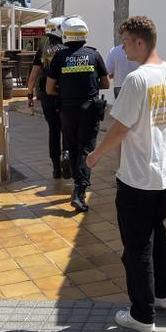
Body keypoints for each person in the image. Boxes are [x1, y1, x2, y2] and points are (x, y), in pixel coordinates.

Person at [86, 16, 166, 332]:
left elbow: (121, 127)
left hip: (139, 174)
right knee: (155, 231)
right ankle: (163, 293)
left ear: (140, 42)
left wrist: (95, 155)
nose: (122, 48)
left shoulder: (137, 80)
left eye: (126, 41)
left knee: (136, 245)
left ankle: (142, 314)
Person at [46, 16, 110, 212]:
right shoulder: (94, 55)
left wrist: (65, 92)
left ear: (65, 35)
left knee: (73, 147)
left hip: (67, 110)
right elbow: (105, 83)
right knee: (86, 149)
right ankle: (79, 192)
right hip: (90, 109)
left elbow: (49, 89)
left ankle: (75, 179)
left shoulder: (59, 57)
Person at [27, 16, 69, 179]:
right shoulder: (66, 48)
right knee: (66, 128)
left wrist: (30, 95)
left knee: (53, 129)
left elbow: (33, 76)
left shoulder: (42, 49)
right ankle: (66, 155)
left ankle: (56, 168)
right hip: (63, 94)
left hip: (46, 96)